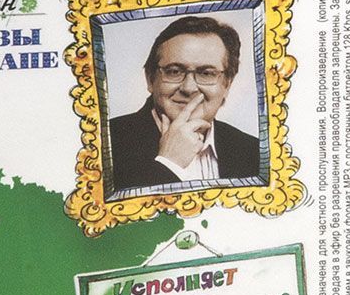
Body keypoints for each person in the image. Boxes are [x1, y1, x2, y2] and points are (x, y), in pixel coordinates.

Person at [107, 15, 261, 192]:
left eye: (206, 73)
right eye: (174, 71)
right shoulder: (104, 143)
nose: (189, 88)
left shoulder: (254, 152)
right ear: (150, 79)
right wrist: (168, 163)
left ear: (227, 84)